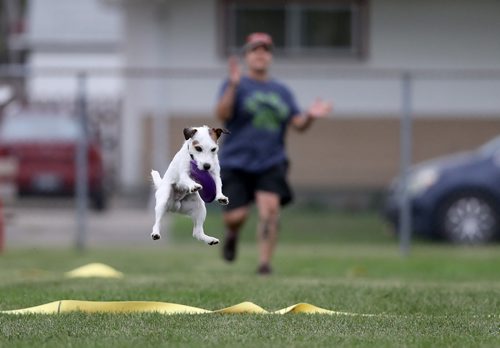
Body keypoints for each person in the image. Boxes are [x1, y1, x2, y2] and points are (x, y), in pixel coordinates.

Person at [215, 32, 332, 275]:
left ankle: (264, 265)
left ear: (270, 56)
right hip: (236, 161)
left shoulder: (282, 91)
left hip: (271, 160)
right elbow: (222, 114)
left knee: (269, 210)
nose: (260, 54)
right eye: (255, 50)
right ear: (247, 56)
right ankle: (233, 233)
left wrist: (310, 115)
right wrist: (234, 86)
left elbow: (298, 124)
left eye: (265, 50)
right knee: (235, 216)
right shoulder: (234, 84)